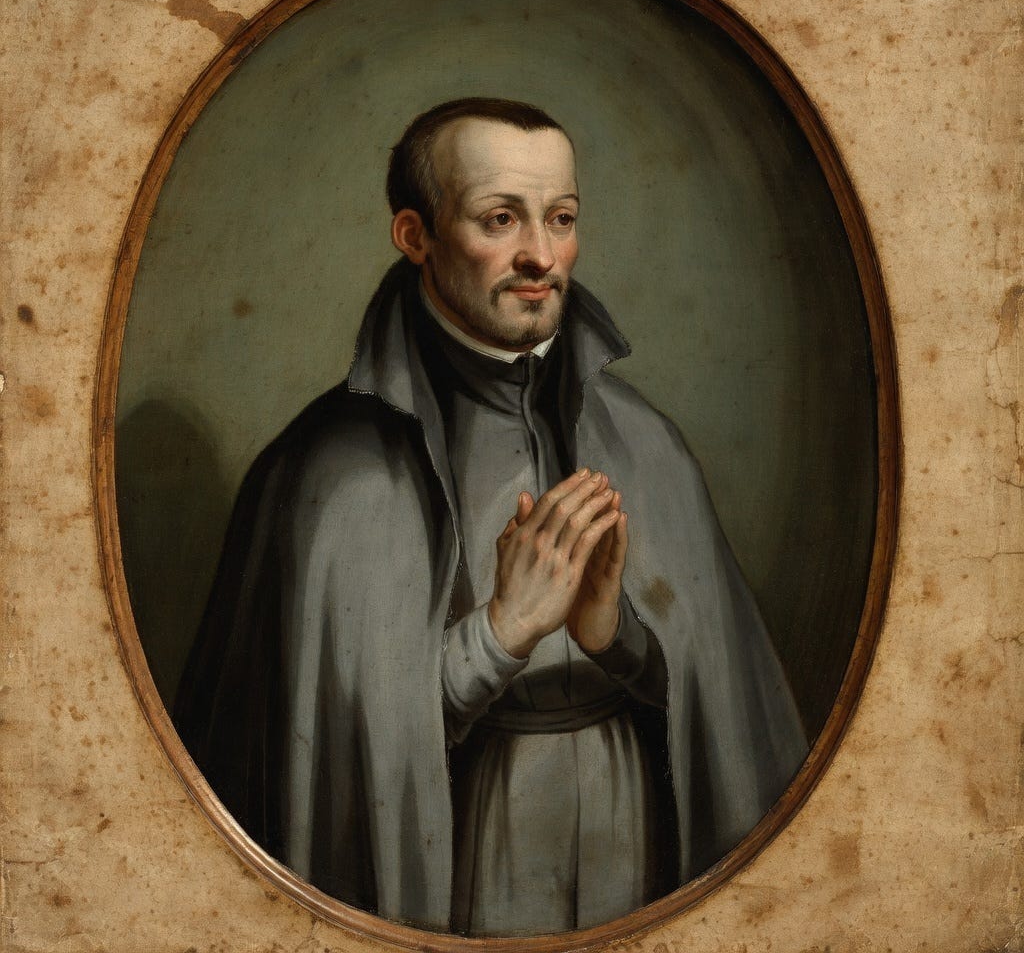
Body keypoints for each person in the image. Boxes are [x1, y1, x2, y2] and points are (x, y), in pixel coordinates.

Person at [174, 97, 808, 937]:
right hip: (453, 869)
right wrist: (502, 634)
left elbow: (724, 724)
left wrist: (613, 636)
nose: (540, 254)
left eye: (561, 218)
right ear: (416, 236)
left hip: (638, 856)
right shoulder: (327, 472)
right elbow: (330, 763)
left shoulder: (647, 442)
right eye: (500, 219)